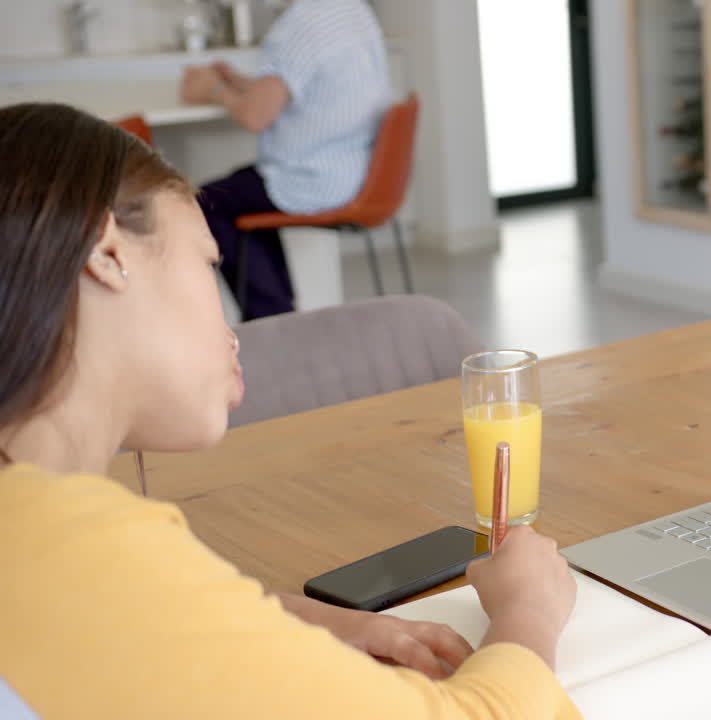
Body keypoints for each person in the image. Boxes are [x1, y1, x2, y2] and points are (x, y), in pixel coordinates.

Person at [0, 102, 580, 719]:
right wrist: (528, 609)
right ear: (107, 252)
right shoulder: (87, 551)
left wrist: (270, 618)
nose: (231, 331)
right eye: (207, 261)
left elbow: (127, 630)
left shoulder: (44, 544)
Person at [180, 0, 391, 319]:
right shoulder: (352, 10)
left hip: (314, 178)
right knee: (244, 192)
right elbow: (305, 88)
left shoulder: (301, 23)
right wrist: (241, 83)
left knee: (206, 202)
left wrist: (214, 90)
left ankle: (271, 320)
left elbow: (255, 116)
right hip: (357, 169)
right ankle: (281, 315)